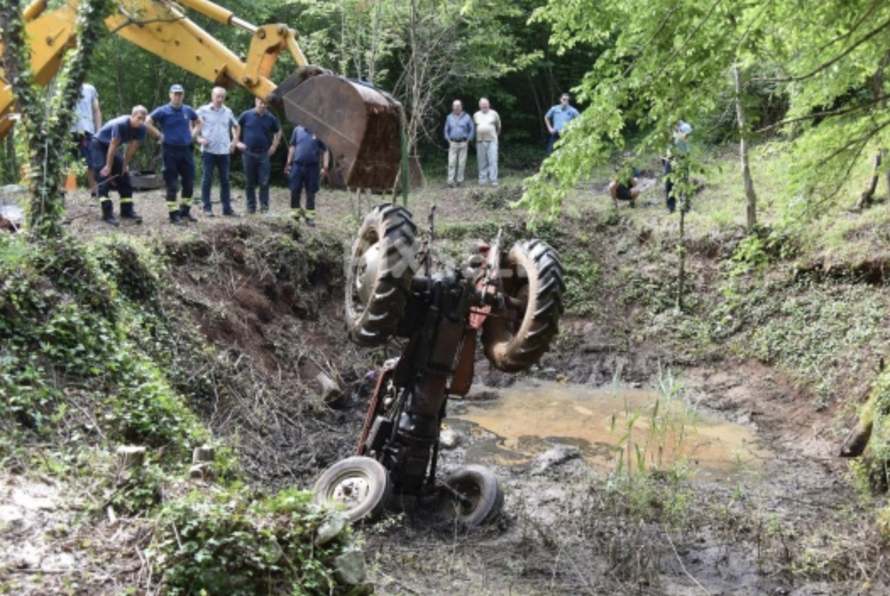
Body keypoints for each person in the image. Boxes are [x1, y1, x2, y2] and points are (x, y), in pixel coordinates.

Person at [146, 84, 202, 225]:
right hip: (170, 150)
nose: (178, 96)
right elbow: (147, 122)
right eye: (175, 93)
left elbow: (199, 122)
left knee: (189, 182)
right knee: (172, 184)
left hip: (186, 150)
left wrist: (193, 135)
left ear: (183, 95)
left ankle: (185, 210)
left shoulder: (187, 110)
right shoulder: (163, 110)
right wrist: (159, 135)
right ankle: (173, 215)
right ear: (170, 95)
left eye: (180, 94)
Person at [89, 105, 148, 226]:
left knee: (124, 175)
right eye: (139, 118)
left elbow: (132, 147)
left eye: (143, 119)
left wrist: (125, 165)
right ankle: (107, 212)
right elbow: (112, 145)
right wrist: (108, 166)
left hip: (111, 147)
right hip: (99, 144)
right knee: (103, 175)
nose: (141, 122)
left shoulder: (142, 128)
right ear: (132, 116)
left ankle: (126, 210)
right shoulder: (120, 124)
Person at [195, 87, 240, 217]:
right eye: (218, 96)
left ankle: (227, 208)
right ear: (212, 96)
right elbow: (190, 122)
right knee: (207, 179)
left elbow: (236, 126)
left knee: (225, 180)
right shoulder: (203, 110)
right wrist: (198, 138)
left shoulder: (228, 111)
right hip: (209, 151)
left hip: (224, 151)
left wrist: (234, 142)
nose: (220, 99)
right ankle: (207, 208)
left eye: (222, 97)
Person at [235, 98, 282, 215]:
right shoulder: (246, 115)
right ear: (256, 102)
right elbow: (235, 126)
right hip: (248, 152)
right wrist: (237, 142)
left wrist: (274, 146)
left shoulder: (270, 118)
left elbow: (278, 131)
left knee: (264, 182)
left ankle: (264, 209)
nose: (262, 105)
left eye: (265, 103)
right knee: (250, 182)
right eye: (260, 102)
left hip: (264, 154)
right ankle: (251, 208)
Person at [285, 126, 329, 226]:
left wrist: (325, 167)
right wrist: (288, 163)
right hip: (297, 166)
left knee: (311, 192)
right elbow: (292, 146)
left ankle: (310, 218)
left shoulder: (320, 131)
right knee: (295, 190)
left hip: (313, 167)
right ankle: (295, 215)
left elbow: (325, 150)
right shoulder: (297, 130)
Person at [70, 82, 102, 197]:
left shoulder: (90, 89)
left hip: (87, 131)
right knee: (65, 163)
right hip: (68, 131)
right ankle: (61, 194)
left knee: (92, 163)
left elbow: (96, 110)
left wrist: (99, 131)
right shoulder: (64, 87)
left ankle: (94, 192)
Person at [664, 119, 692, 214]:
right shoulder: (668, 127)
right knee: (669, 183)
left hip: (682, 157)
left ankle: (685, 206)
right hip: (670, 158)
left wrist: (677, 131)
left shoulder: (685, 127)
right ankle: (671, 207)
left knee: (683, 181)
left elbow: (687, 140)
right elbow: (667, 143)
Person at [443, 100, 474, 188]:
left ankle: (460, 181)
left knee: (461, 163)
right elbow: (446, 129)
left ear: (461, 107)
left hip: (463, 142)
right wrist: (448, 139)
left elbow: (471, 129)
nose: (456, 107)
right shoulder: (449, 117)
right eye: (455, 106)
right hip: (453, 143)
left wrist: (468, 140)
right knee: (451, 163)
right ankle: (450, 181)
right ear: (452, 107)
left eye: (458, 106)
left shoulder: (467, 117)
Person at [473, 97, 501, 186]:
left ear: (489, 104)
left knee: (493, 160)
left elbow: (499, 127)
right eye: (482, 104)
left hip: (492, 141)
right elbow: (474, 127)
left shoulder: (494, 113)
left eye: (486, 104)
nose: (484, 105)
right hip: (480, 141)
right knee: (481, 161)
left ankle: (494, 180)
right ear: (479, 105)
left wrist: (495, 136)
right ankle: (482, 180)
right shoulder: (476, 115)